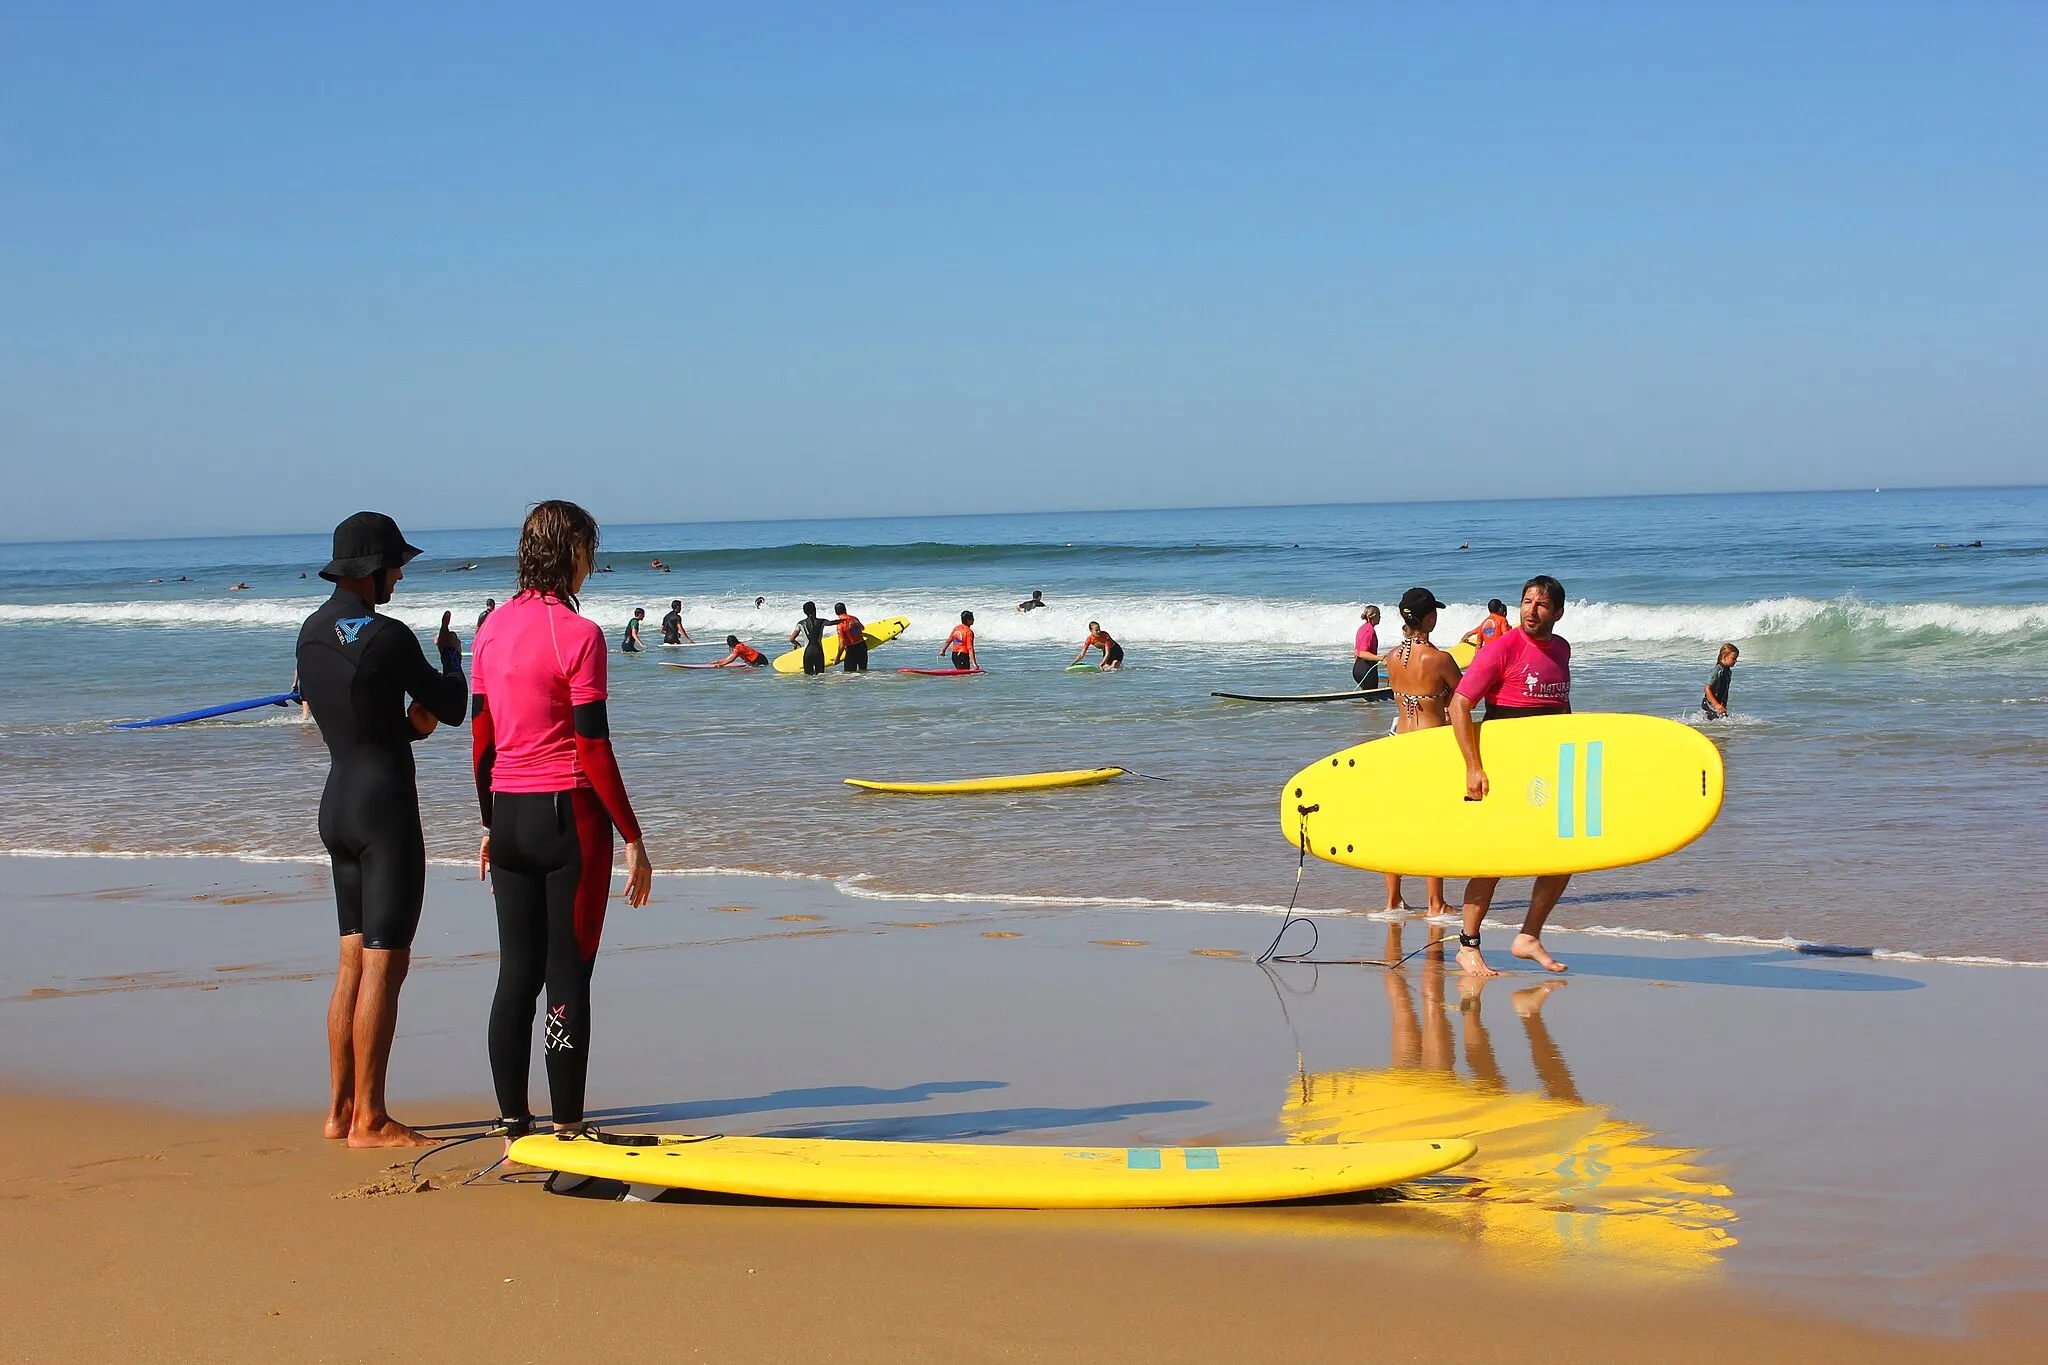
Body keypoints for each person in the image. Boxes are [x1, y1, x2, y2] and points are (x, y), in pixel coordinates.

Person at [471, 500, 654, 1141]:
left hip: (511, 815)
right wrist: (633, 836)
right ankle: (570, 1128)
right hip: (567, 817)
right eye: (589, 553)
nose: (591, 566)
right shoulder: (580, 636)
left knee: (515, 972)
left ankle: (513, 1124)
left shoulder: (489, 631)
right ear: (572, 553)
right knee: (568, 973)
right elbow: (593, 746)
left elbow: (483, 735)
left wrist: (489, 822)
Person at [295, 511, 467, 1148]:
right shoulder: (388, 635)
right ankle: (371, 1117)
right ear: (371, 570)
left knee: (349, 965)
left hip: (337, 802)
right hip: (385, 811)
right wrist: (453, 659)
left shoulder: (310, 634)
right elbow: (454, 707)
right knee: (385, 967)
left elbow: (368, 726)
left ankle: (339, 1111)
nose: (400, 574)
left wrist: (409, 726)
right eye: (396, 565)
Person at [1450, 576, 1573, 978]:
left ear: (1558, 612)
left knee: (1564, 856)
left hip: (1545, 770)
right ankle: (1468, 946)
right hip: (1502, 770)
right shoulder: (1502, 648)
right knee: (1493, 861)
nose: (1531, 610)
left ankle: (1529, 936)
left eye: (1541, 604)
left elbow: (1561, 705)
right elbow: (1460, 705)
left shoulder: (1561, 649)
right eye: (1526, 602)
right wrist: (1473, 766)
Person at [1379, 588, 1463, 917]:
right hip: (1431, 742)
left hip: (1398, 738)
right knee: (1432, 824)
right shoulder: (1439, 659)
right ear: (1429, 618)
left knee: (1396, 822)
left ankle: (1393, 900)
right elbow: (1466, 694)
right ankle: (1435, 903)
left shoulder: (1390, 657)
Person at [790, 601, 830, 675]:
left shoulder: (800, 624)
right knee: (820, 676)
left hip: (808, 653)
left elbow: (791, 639)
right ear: (815, 609)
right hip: (818, 652)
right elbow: (833, 623)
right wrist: (844, 620)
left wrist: (797, 645)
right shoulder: (822, 621)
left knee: (808, 677)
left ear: (804, 612)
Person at [1702, 643, 1739, 719]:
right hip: (1710, 704)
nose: (1735, 661)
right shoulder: (1717, 670)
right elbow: (1707, 688)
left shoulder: (1728, 672)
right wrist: (1716, 705)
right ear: (1724, 657)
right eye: (1733, 658)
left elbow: (1725, 691)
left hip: (1718, 705)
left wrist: (1724, 705)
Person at [1353, 606, 1385, 690]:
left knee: (1368, 698)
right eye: (1379, 614)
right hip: (1366, 668)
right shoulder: (1369, 631)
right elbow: (1363, 653)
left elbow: (1356, 652)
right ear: (1373, 616)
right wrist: (1381, 658)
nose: (1380, 617)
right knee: (1373, 699)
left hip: (1358, 667)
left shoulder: (1362, 628)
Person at [835, 602, 868, 672]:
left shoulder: (840, 625)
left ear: (836, 612)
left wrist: (837, 658)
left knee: (849, 675)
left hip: (852, 650)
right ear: (845, 610)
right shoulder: (854, 618)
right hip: (862, 647)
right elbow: (862, 628)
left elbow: (842, 645)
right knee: (863, 672)